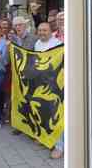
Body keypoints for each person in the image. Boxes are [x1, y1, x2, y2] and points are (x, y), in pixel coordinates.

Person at [34, 22, 63, 159]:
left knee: (56, 114)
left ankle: (59, 146)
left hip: (54, 84)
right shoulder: (37, 43)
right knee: (44, 112)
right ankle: (45, 139)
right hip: (41, 84)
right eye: (40, 30)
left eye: (45, 30)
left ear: (51, 31)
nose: (42, 33)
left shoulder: (57, 43)